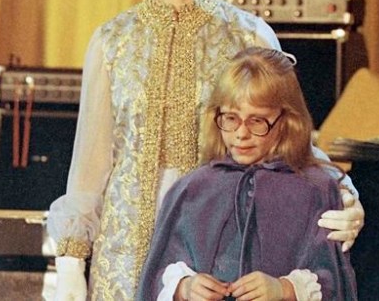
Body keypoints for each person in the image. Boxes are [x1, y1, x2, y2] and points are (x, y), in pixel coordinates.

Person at [47, 0, 364, 300]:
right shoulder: (112, 41)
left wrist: (343, 195)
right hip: (122, 255)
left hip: (213, 254)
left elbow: (289, 134)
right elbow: (90, 166)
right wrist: (70, 264)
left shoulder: (248, 35)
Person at [137, 47, 358, 301]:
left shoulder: (314, 190)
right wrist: (185, 288)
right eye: (231, 118)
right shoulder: (191, 190)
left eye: (256, 121)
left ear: (287, 120)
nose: (241, 134)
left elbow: (335, 283)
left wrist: (285, 289)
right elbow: (156, 276)